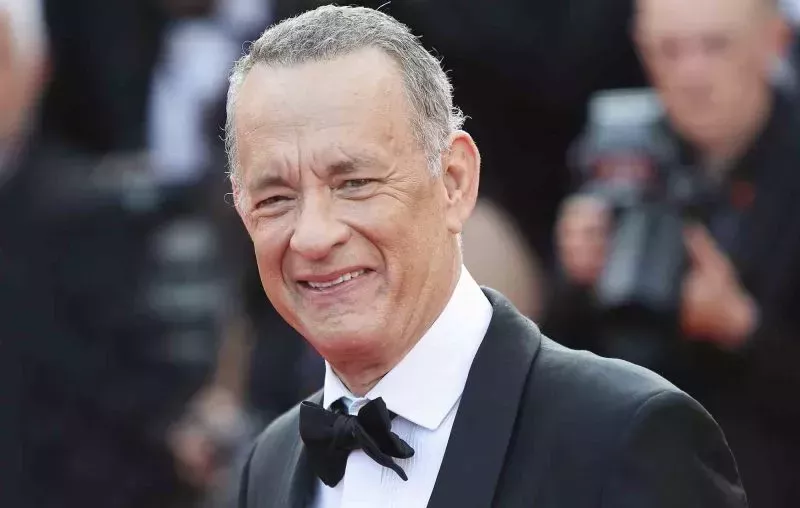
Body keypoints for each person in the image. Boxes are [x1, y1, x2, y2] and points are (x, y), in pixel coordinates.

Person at [229, 6, 747, 508]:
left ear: (454, 182)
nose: (313, 237)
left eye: (355, 183)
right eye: (275, 199)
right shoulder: (269, 464)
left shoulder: (623, 436)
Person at [550, 0, 800, 506]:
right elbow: (560, 358)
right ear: (641, 50)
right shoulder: (618, 149)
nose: (691, 74)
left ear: (775, 42)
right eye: (669, 50)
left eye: (715, 46)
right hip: (632, 444)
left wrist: (742, 329)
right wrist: (575, 277)